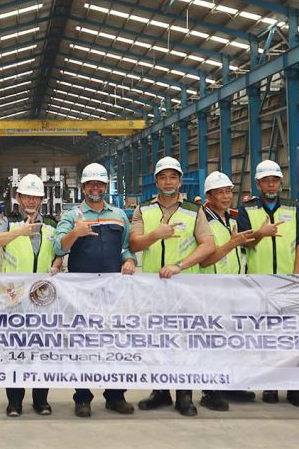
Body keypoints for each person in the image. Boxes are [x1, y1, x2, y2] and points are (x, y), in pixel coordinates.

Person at [129, 157, 216, 416]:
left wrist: (180, 265)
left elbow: (208, 245)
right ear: (156, 181)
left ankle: (184, 396)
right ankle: (160, 392)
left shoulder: (194, 210)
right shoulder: (143, 210)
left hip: (184, 287)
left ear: (180, 181)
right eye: (163, 177)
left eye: (173, 177)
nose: (168, 182)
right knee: (157, 341)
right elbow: (134, 243)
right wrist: (155, 234)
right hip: (153, 287)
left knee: (184, 342)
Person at [53, 163, 137, 418]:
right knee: (82, 344)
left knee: (114, 342)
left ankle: (115, 396)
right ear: (83, 187)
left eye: (100, 184)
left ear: (105, 186)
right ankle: (82, 397)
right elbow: (58, 247)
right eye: (91, 184)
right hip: (81, 293)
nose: (95, 188)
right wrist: (75, 233)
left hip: (113, 291)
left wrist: (129, 260)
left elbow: (125, 247)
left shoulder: (119, 215)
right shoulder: (72, 215)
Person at [236, 160, 299, 407]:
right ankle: (270, 385)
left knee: (295, 337)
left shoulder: (294, 208)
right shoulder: (247, 210)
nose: (271, 185)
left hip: (289, 282)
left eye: (274, 180)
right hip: (259, 285)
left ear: (280, 183)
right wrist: (260, 234)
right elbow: (245, 243)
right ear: (258, 184)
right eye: (266, 181)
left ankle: (295, 388)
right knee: (267, 338)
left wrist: (296, 277)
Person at [0, 173, 62, 417]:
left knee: (42, 350)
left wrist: (58, 262)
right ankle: (15, 401)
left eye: (35, 197)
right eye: (26, 196)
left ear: (42, 199)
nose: (31, 201)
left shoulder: (51, 224)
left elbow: (60, 249)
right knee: (15, 352)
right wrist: (19, 232)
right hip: (13, 297)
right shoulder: (8, 221)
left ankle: (41, 400)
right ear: (18, 197)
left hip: (43, 297)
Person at [198, 171, 257, 406]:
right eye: (219, 192)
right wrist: (232, 243)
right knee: (212, 342)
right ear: (208, 196)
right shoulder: (203, 221)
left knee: (232, 340)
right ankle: (210, 391)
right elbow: (205, 260)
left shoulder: (231, 220)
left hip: (233, 289)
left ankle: (230, 384)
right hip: (211, 290)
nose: (225, 196)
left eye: (228, 191)